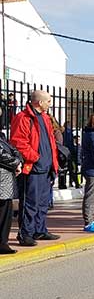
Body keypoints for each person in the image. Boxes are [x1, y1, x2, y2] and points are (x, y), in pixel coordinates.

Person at [10, 90, 60, 245]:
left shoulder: (45, 118)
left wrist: (53, 163)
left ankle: (39, 230)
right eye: (49, 101)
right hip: (32, 168)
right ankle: (26, 233)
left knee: (43, 203)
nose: (50, 104)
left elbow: (50, 142)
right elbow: (18, 142)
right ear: (40, 102)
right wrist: (36, 157)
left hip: (46, 168)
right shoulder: (23, 118)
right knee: (30, 203)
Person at [0, 133, 22, 254]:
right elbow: (2, 155)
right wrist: (16, 163)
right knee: (3, 211)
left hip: (6, 182)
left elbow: (13, 149)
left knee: (6, 212)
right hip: (2, 181)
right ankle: (2, 243)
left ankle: (3, 242)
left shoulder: (2, 137)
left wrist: (18, 161)